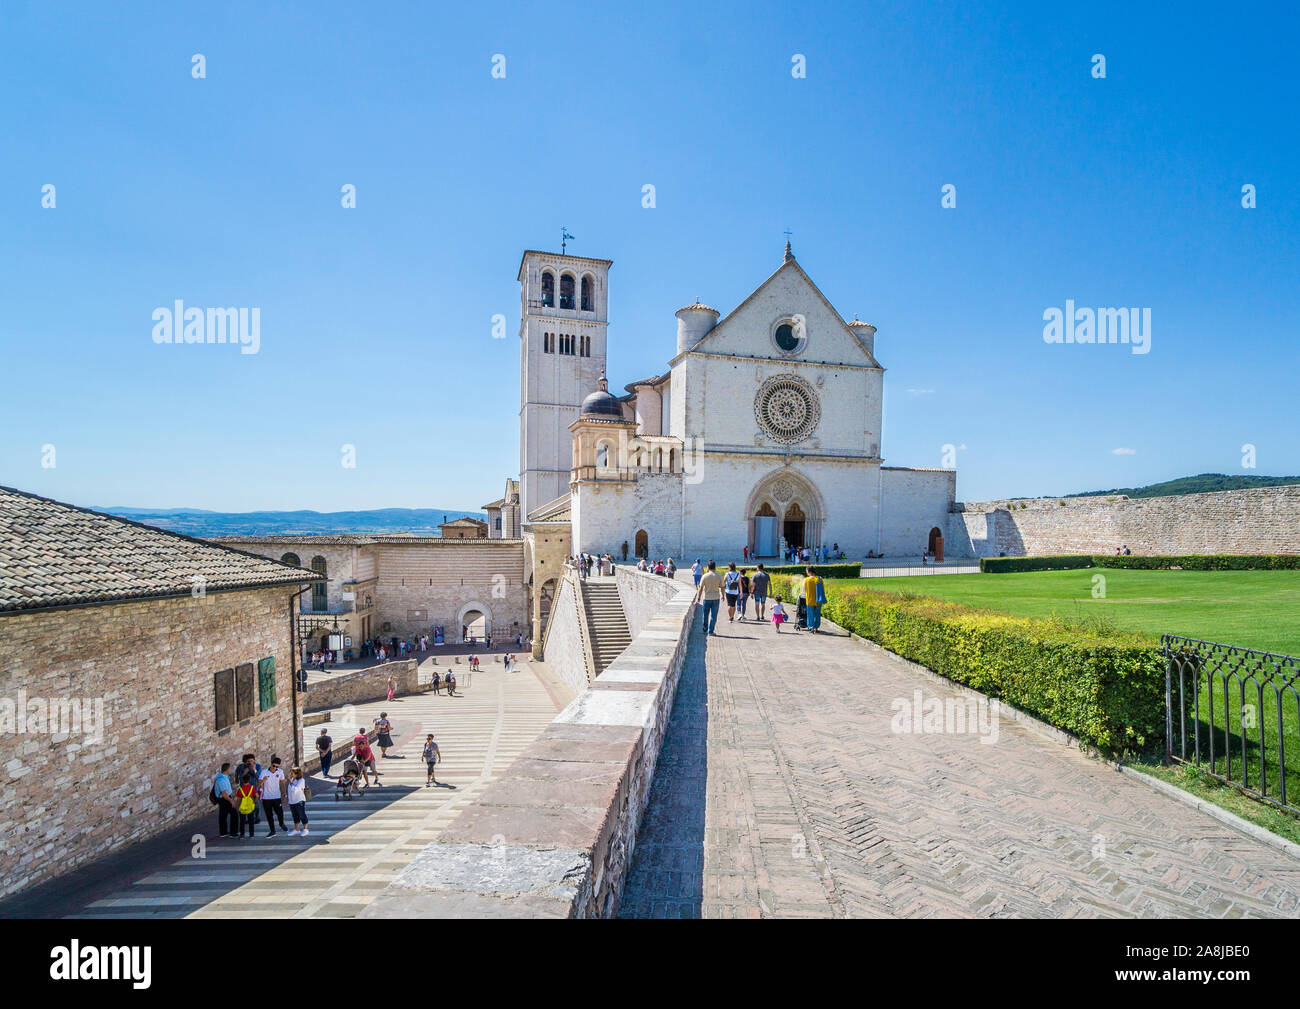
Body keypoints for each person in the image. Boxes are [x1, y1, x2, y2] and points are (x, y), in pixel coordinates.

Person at [258, 756, 288, 837]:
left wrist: (284, 794)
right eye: (274, 766)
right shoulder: (264, 772)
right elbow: (258, 785)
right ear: (271, 764)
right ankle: (272, 831)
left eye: (277, 766)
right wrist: (263, 780)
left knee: (280, 813)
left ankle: (281, 824)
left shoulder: (280, 772)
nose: (275, 768)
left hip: (277, 797)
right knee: (269, 815)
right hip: (266, 798)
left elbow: (282, 783)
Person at [694, 560, 723, 635]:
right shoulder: (719, 576)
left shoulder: (704, 576)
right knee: (714, 616)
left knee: (705, 615)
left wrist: (698, 598)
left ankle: (704, 629)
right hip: (716, 598)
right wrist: (723, 595)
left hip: (706, 598)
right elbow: (722, 587)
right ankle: (711, 631)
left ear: (708, 567)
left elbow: (700, 588)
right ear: (715, 567)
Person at [212, 762, 237, 838]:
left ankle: (223, 832)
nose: (231, 770)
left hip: (223, 799)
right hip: (224, 799)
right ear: (227, 769)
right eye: (230, 768)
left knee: (223, 815)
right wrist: (231, 800)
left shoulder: (223, 777)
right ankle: (233, 833)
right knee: (234, 814)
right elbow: (224, 793)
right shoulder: (221, 780)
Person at [233, 773, 259, 839]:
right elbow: (257, 796)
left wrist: (238, 807)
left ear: (242, 781)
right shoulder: (252, 788)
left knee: (242, 821)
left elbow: (238, 800)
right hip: (250, 807)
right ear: (249, 780)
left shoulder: (240, 790)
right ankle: (251, 834)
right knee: (251, 821)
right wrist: (253, 801)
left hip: (242, 807)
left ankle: (242, 835)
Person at [286, 766, 310, 836]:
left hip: (299, 801)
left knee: (302, 815)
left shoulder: (301, 780)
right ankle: (297, 830)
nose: (291, 774)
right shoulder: (293, 779)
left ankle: (306, 829)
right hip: (292, 801)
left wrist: (290, 782)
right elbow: (290, 790)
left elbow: (295, 789)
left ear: (297, 774)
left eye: (292, 773)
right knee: (295, 816)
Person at [803, 567, 825, 633]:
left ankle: (811, 628)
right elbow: (823, 589)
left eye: (806, 571)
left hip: (809, 599)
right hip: (818, 599)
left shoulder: (806, 580)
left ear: (809, 571)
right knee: (817, 614)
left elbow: (804, 590)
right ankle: (816, 627)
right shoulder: (819, 578)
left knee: (810, 614)